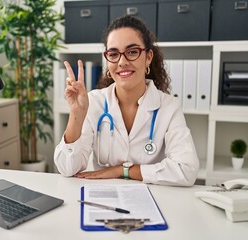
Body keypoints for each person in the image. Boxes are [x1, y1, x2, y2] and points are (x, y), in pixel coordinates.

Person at [54, 15, 199, 186]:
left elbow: (187, 169)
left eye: (132, 52)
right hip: (103, 199)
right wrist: (76, 116)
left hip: (151, 200)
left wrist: (123, 170)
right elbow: (66, 168)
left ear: (148, 57)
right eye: (113, 54)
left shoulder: (169, 106)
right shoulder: (94, 101)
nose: (122, 62)